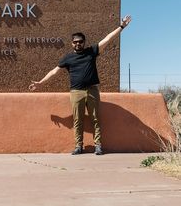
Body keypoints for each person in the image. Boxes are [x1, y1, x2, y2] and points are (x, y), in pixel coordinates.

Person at [29, 15, 132, 155]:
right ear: (72, 43)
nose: (78, 44)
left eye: (80, 42)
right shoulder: (68, 58)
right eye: (75, 42)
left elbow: (107, 39)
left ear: (84, 42)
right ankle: (79, 146)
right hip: (76, 92)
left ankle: (98, 146)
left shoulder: (91, 52)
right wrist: (41, 83)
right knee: (78, 120)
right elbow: (54, 72)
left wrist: (121, 27)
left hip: (92, 90)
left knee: (95, 118)